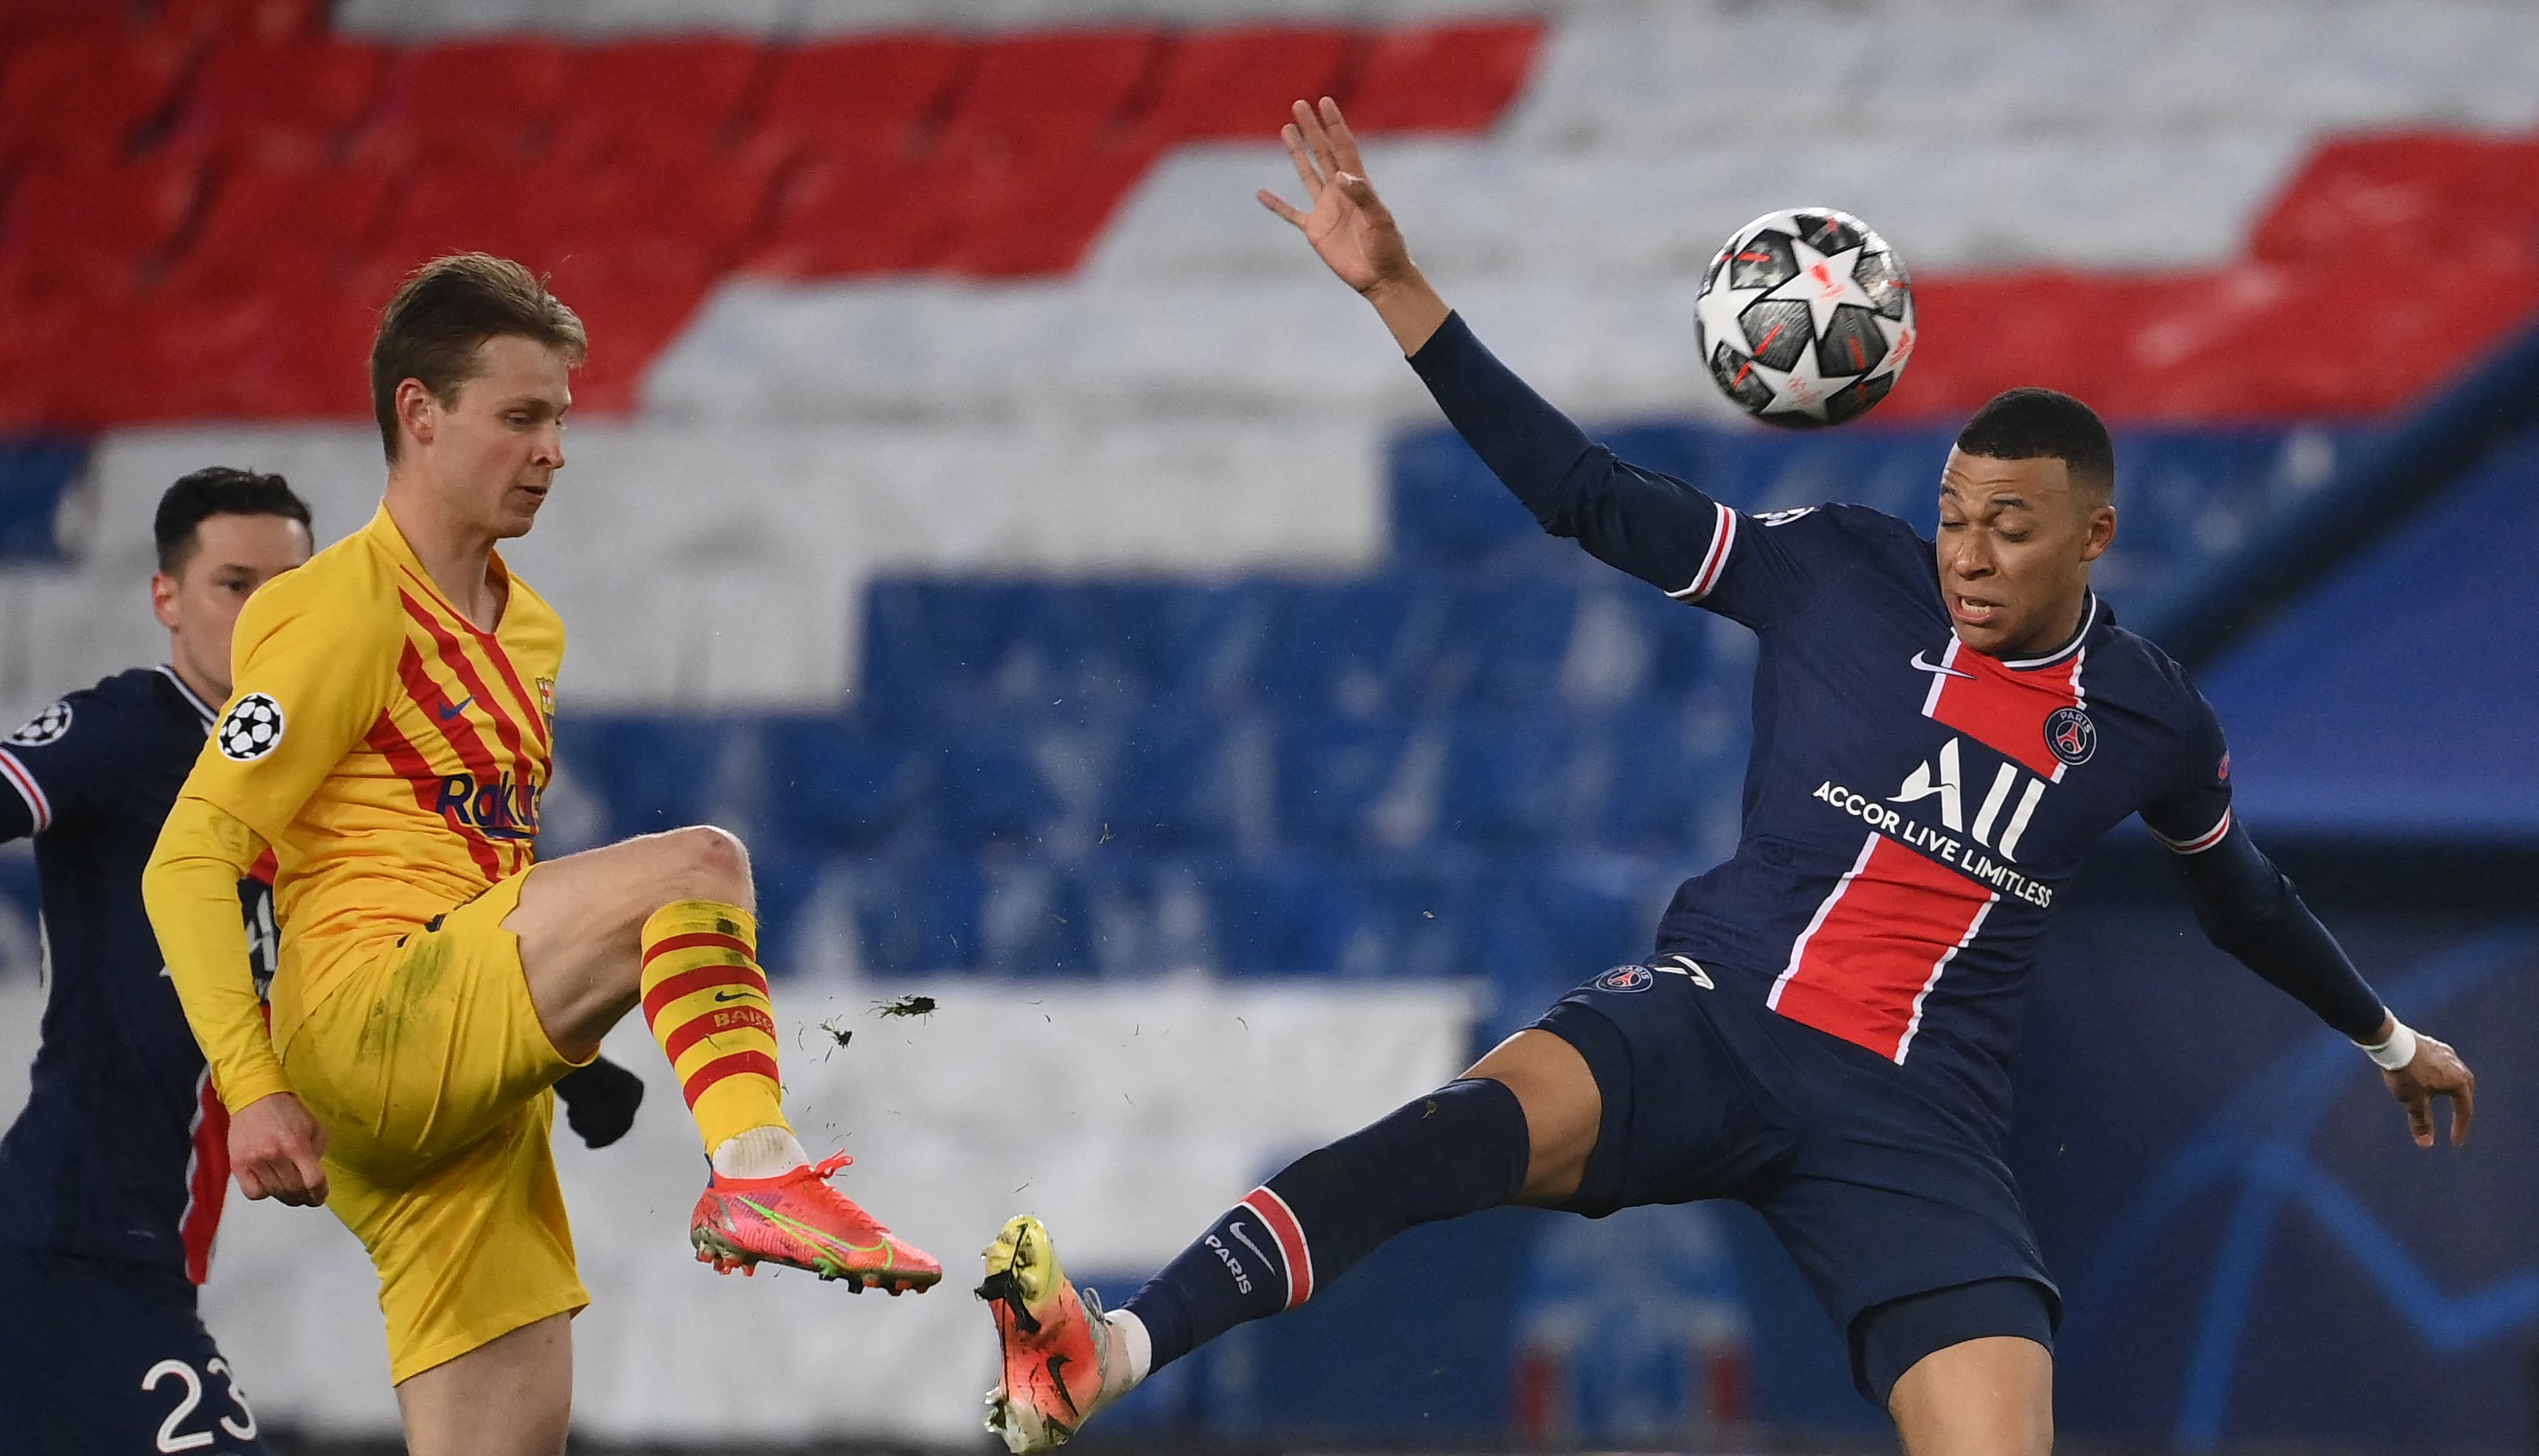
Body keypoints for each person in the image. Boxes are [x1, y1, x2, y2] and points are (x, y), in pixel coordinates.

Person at [977, 100, 2477, 1456]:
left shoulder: (2153, 717)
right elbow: (1586, 498)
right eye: (1953, 516)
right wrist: (1396, 290)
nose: (1965, 553)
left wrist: (2386, 1037)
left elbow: (2242, 896)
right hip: (1715, 1018)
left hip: (1916, 1125)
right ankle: (1102, 1354)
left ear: (2092, 539)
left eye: (2007, 528)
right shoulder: (1837, 571)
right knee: (1430, 1145)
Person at [140, 255, 938, 1456]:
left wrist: (563, 1051)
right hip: (363, 1014)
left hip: (461, 1096)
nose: (555, 449)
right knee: (702, 865)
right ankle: (758, 1167)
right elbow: (191, 856)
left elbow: (469, 856)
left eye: (560, 418)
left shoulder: (532, 626)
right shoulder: (337, 609)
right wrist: (251, 1089)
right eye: (522, 417)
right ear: (419, 415)